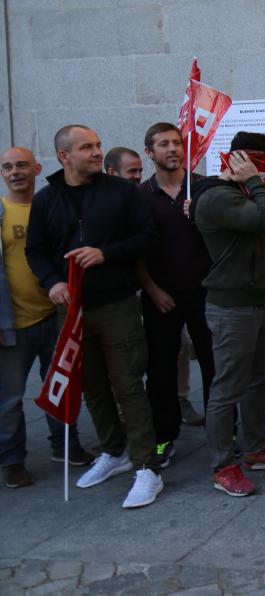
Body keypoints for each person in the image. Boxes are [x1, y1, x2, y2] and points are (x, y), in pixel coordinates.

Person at [26, 125, 161, 508]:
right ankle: (114, 451)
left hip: (117, 303)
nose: (97, 152)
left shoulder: (122, 191)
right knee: (92, 386)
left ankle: (147, 467)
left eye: (99, 145)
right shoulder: (47, 199)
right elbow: (34, 250)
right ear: (64, 156)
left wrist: (106, 253)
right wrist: (52, 283)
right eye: (87, 147)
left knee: (128, 385)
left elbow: (148, 237)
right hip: (72, 311)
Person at [193, 132, 265, 496]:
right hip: (231, 307)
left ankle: (255, 448)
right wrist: (255, 181)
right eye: (264, 162)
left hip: (257, 301)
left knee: (259, 378)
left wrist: (259, 183)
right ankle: (223, 465)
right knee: (227, 388)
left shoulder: (245, 192)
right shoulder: (217, 198)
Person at [0, 147, 93, 489]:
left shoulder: (49, 204)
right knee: (10, 398)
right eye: (7, 167)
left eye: (22, 165)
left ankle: (65, 446)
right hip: (13, 323)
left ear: (38, 168)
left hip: (55, 315)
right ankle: (12, 460)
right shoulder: (2, 211)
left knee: (61, 385)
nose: (15, 172)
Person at [137, 123, 216, 468]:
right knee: (161, 371)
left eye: (176, 142)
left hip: (206, 293)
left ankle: (224, 433)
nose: (172, 148)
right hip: (161, 297)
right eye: (163, 144)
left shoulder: (203, 188)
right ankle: (163, 439)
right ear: (149, 153)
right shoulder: (139, 196)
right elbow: (136, 252)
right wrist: (152, 290)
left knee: (216, 366)